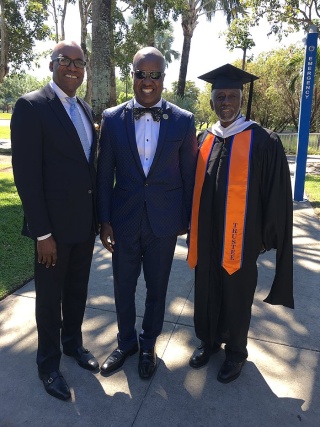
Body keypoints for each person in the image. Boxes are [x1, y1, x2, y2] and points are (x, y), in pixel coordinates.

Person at [187, 63, 294, 384]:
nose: (226, 102)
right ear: (211, 102)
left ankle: (236, 351)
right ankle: (208, 341)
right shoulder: (205, 139)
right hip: (206, 236)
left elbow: (276, 194)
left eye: (232, 96)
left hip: (241, 238)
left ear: (240, 98)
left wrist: (265, 235)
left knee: (236, 292)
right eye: (220, 97)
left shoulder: (263, 141)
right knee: (206, 287)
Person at [97, 47, 198, 380]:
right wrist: (104, 220)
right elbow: (104, 172)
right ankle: (125, 343)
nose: (148, 81)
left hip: (163, 224)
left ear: (163, 78)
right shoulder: (112, 119)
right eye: (142, 73)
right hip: (124, 220)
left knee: (157, 289)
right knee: (123, 288)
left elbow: (188, 175)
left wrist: (184, 221)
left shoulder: (183, 121)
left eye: (155, 75)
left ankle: (147, 345)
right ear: (133, 75)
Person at [11, 40, 99, 401]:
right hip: (52, 231)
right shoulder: (31, 106)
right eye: (65, 61)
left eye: (79, 62)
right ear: (52, 64)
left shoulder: (85, 108)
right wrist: (42, 233)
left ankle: (72, 345)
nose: (73, 67)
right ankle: (48, 365)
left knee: (77, 293)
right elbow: (26, 176)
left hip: (84, 225)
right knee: (49, 299)